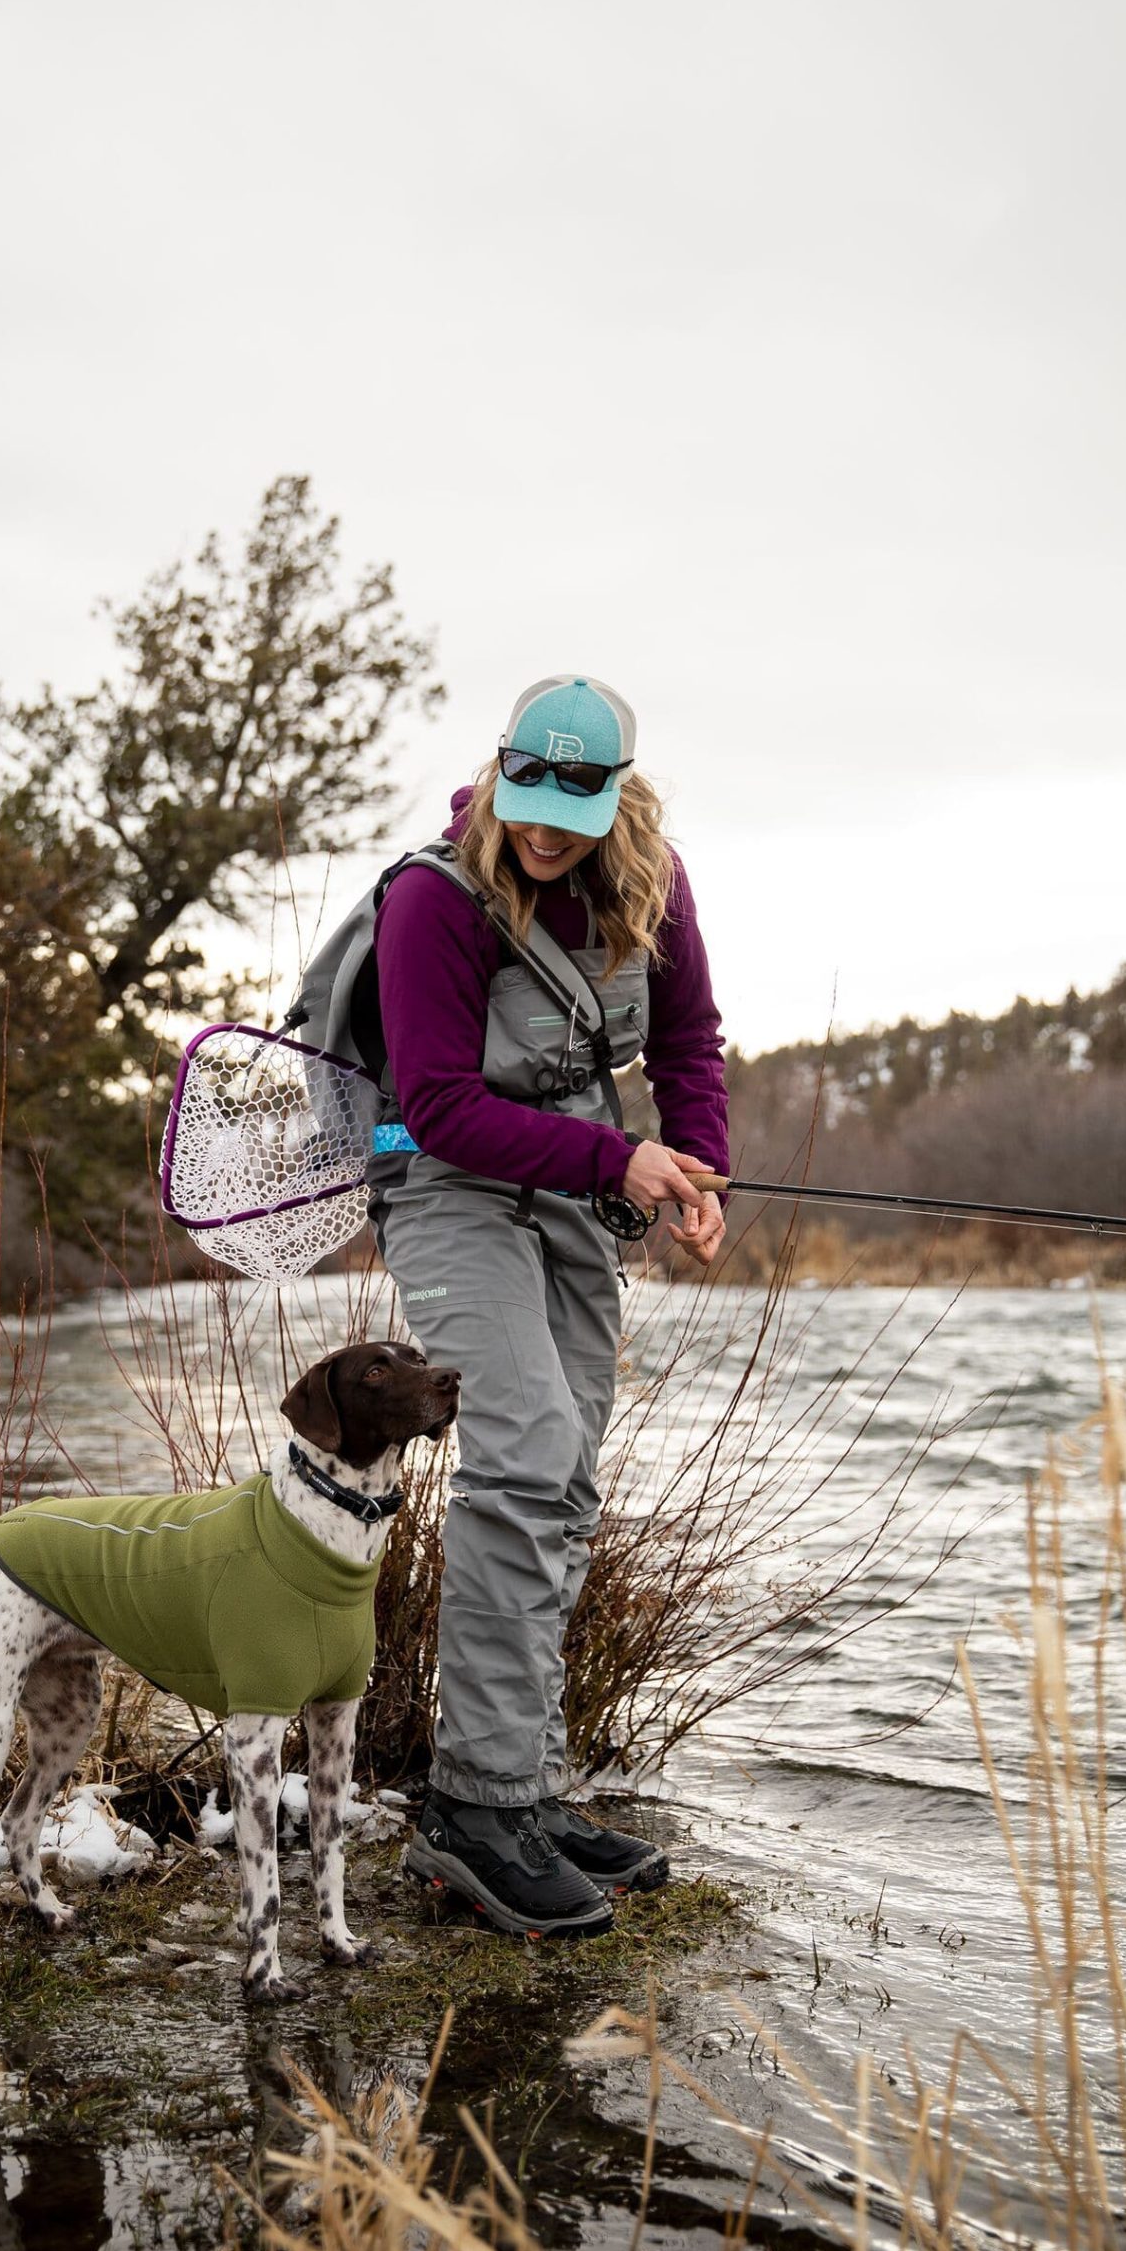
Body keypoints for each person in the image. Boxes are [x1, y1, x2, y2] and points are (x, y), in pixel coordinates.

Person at [370, 674, 729, 1937]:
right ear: (504, 771)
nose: (543, 831)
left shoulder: (656, 880)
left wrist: (698, 1160)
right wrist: (615, 1162)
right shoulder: (432, 897)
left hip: (579, 1195)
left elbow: (690, 1042)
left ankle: (526, 1787)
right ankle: (470, 1809)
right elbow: (440, 1099)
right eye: (526, 798)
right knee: (519, 1455)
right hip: (449, 1189)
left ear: (617, 793)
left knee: (565, 1478)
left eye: (571, 809)